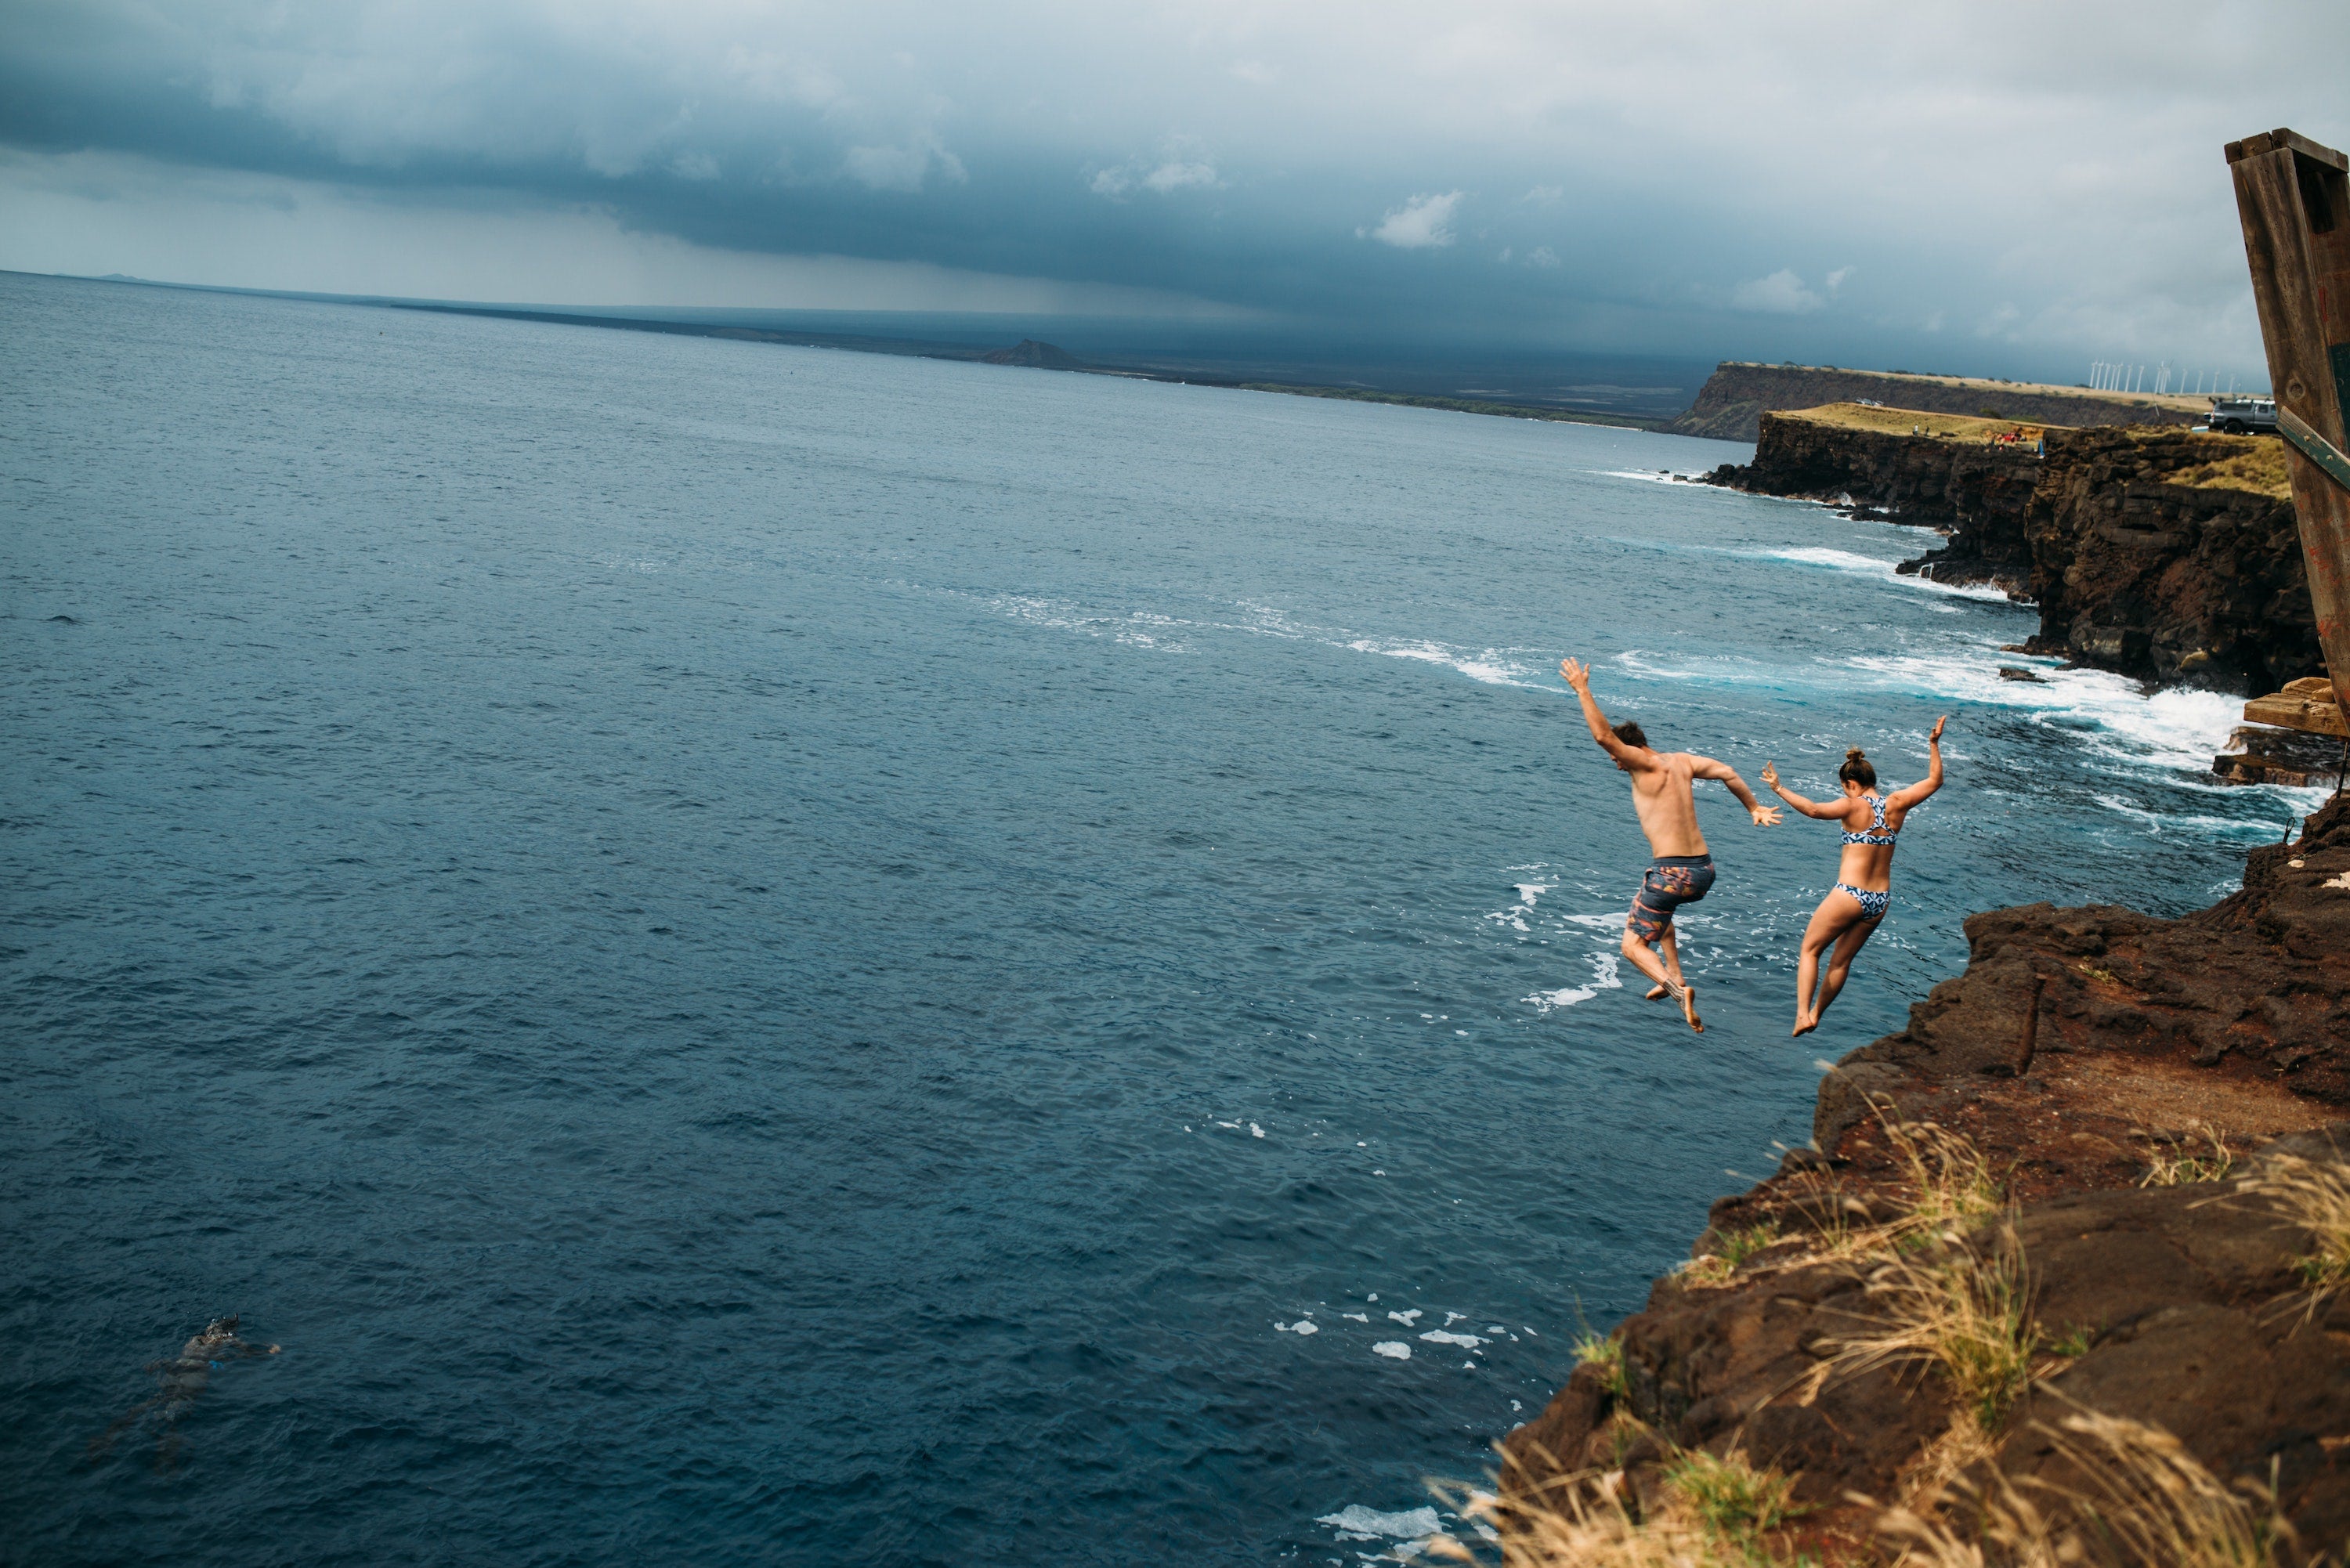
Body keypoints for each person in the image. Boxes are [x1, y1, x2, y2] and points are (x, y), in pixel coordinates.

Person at [1559, 658, 1781, 1032]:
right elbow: (1728, 772)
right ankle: (1674, 975)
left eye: (1618, 758)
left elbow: (1602, 737)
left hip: (1672, 872)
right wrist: (1754, 807)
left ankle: (1675, 990)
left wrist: (1582, 689)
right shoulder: (1681, 762)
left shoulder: (1644, 765)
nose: (1615, 764)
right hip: (1703, 871)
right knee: (1660, 917)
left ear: (1631, 749)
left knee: (1631, 946)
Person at [1759, 717, 1947, 1037]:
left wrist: (1778, 788)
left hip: (1850, 894)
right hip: (1879, 900)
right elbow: (1934, 781)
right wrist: (1933, 744)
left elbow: (1815, 810)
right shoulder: (1897, 803)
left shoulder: (1851, 806)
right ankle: (1817, 1013)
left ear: (1850, 784)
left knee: (1810, 950)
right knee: (1841, 962)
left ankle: (1803, 1014)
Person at [89, 1315, 280, 1470]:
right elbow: (247, 1352)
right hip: (193, 1378)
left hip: (174, 1372)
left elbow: (182, 1358)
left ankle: (106, 1439)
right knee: (176, 1419)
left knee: (145, 1405)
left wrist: (158, 1364)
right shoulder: (226, 1340)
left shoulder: (195, 1339)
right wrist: (269, 1350)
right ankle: (166, 1458)